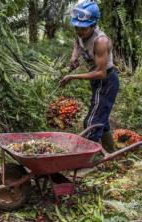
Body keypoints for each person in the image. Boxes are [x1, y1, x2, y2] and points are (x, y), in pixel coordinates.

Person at [59, 0, 119, 152]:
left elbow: (101, 72)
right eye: (76, 27)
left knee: (91, 123)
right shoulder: (81, 32)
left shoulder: (101, 41)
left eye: (83, 28)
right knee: (101, 118)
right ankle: (111, 152)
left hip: (106, 82)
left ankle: (89, 159)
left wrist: (72, 77)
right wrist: (74, 57)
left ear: (93, 25)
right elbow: (78, 43)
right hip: (97, 82)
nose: (79, 30)